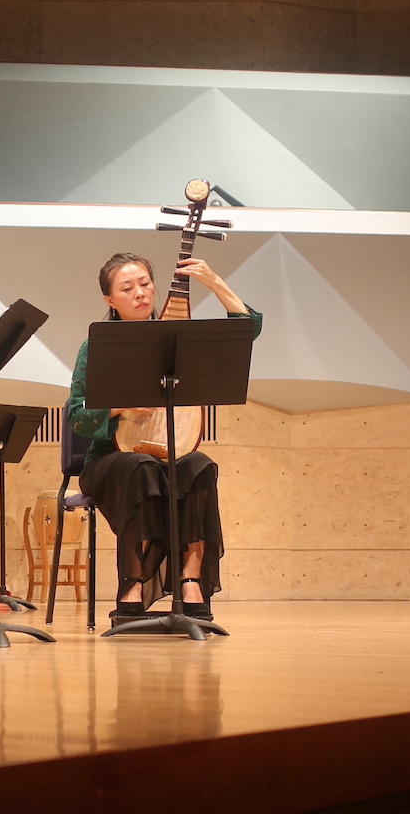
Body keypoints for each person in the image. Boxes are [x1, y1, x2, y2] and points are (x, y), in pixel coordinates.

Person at [63, 252, 261, 628]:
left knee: (200, 465)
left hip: (169, 456)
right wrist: (119, 407)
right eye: (127, 288)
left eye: (145, 284)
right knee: (139, 466)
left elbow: (246, 330)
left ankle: (192, 582)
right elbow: (76, 416)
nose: (140, 293)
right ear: (110, 299)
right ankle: (132, 586)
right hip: (111, 462)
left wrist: (214, 282)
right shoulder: (98, 347)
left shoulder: (181, 337)